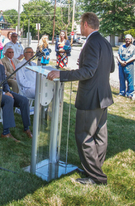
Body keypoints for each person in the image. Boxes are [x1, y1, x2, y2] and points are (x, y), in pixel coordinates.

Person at [47, 12, 115, 186]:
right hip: (103, 95)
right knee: (99, 135)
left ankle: (96, 177)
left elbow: (88, 71)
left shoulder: (92, 42)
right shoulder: (105, 42)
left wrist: (62, 74)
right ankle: (95, 168)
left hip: (91, 96)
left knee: (84, 136)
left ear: (85, 24)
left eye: (79, 24)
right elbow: (111, 68)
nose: (79, 27)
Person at [116, 34, 135, 99]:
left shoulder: (133, 47)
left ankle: (130, 94)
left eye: (129, 39)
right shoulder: (121, 47)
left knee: (130, 80)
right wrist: (121, 61)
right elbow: (117, 55)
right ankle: (122, 92)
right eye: (126, 39)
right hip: (121, 65)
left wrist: (127, 62)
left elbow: (134, 57)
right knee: (121, 79)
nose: (127, 40)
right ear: (124, 40)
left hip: (129, 65)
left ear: (131, 40)